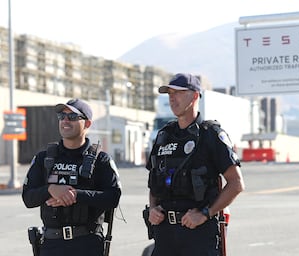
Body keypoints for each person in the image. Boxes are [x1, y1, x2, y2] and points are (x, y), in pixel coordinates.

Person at [146, 73, 245, 256]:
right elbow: (154, 184)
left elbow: (236, 184)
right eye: (169, 94)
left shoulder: (210, 135)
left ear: (194, 96)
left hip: (198, 235)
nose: (172, 98)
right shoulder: (164, 136)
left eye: (178, 93)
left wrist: (205, 213)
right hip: (165, 235)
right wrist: (152, 208)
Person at [22, 98, 122, 256]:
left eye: (73, 117)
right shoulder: (43, 158)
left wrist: (75, 195)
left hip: (87, 245)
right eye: (62, 116)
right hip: (51, 245)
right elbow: (28, 198)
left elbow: (113, 197)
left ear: (87, 124)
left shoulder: (101, 160)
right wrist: (51, 190)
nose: (65, 121)